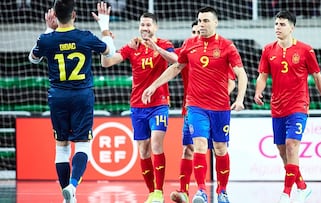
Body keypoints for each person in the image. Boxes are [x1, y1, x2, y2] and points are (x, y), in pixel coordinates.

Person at [142, 6, 248, 203]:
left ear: (215, 23)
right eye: (199, 20)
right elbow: (176, 67)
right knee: (198, 145)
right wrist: (154, 86)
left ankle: (222, 191)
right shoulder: (189, 44)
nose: (202, 24)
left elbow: (240, 74)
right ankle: (200, 191)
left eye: (206, 21)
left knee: (220, 148)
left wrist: (240, 98)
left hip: (220, 108)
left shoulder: (227, 46)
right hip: (195, 106)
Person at [28, 0, 116, 203]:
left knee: (61, 146)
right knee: (83, 145)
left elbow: (33, 59)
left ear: (54, 17)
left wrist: (48, 30)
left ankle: (67, 196)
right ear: (74, 15)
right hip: (81, 96)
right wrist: (104, 25)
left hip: (57, 96)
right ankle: (73, 186)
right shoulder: (85, 37)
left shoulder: (47, 39)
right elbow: (109, 52)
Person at [92, 2, 178, 203]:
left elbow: (176, 60)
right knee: (143, 149)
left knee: (156, 143)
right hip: (138, 106)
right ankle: (151, 192)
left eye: (148, 25)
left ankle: (159, 191)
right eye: (142, 25)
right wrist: (106, 39)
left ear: (155, 27)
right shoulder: (133, 46)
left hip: (159, 103)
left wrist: (156, 47)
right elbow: (107, 63)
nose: (145, 28)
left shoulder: (164, 44)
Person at [253, 10, 321, 203]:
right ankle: (303, 187)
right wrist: (258, 91)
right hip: (277, 106)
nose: (277, 28)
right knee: (283, 151)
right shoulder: (268, 50)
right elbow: (263, 75)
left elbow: (317, 77)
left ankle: (286, 193)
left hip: (298, 105)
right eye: (276, 24)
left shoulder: (305, 50)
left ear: (292, 27)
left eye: (282, 24)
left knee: (291, 146)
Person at [170, 20, 236, 203]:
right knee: (189, 149)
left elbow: (232, 81)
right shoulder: (188, 51)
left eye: (198, 29)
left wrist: (216, 97)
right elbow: (171, 61)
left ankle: (221, 191)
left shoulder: (219, 52)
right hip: (191, 108)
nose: (196, 33)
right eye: (193, 31)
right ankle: (185, 191)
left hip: (215, 107)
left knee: (218, 148)